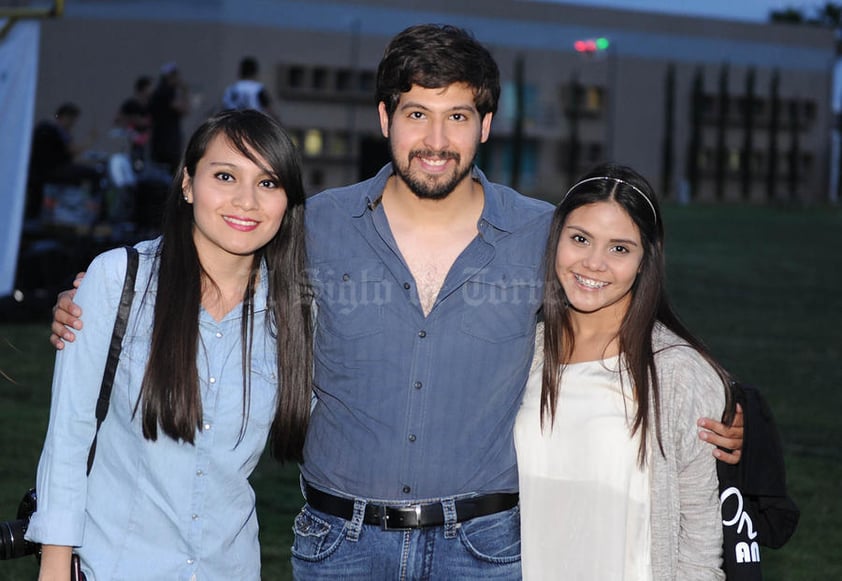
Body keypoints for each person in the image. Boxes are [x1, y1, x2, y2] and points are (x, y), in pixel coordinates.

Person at [49, 24, 742, 579]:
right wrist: (99, 296)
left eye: (457, 116)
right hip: (339, 546)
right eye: (417, 114)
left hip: (486, 549)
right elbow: (219, 250)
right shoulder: (313, 226)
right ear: (385, 118)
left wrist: (725, 411)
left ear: (486, 124)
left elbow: (620, 306)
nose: (436, 141)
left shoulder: (542, 234)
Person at [28, 109, 312, 580]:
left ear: (287, 201)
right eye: (225, 176)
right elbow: (68, 437)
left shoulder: (297, 314)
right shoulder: (119, 280)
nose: (247, 201)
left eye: (268, 183)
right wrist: (54, 566)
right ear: (187, 184)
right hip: (115, 568)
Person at [515, 163, 735, 579]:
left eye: (619, 248)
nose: (594, 263)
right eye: (580, 239)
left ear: (644, 259)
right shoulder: (524, 351)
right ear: (556, 237)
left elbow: (701, 538)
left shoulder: (676, 372)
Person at [26, 102, 101, 220]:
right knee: (93, 173)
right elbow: (72, 150)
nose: (73, 124)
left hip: (40, 171)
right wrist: (90, 140)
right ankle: (94, 209)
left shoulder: (48, 127)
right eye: (72, 120)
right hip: (52, 170)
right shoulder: (57, 129)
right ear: (65, 116)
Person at [148, 62, 191, 174]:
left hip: (160, 138)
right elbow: (183, 109)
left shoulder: (157, 92)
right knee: (172, 170)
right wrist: (185, 92)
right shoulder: (166, 92)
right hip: (168, 140)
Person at [114, 75, 153, 169]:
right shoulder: (130, 104)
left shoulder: (152, 105)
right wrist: (135, 120)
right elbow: (117, 119)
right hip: (132, 142)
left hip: (148, 142)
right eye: (150, 87)